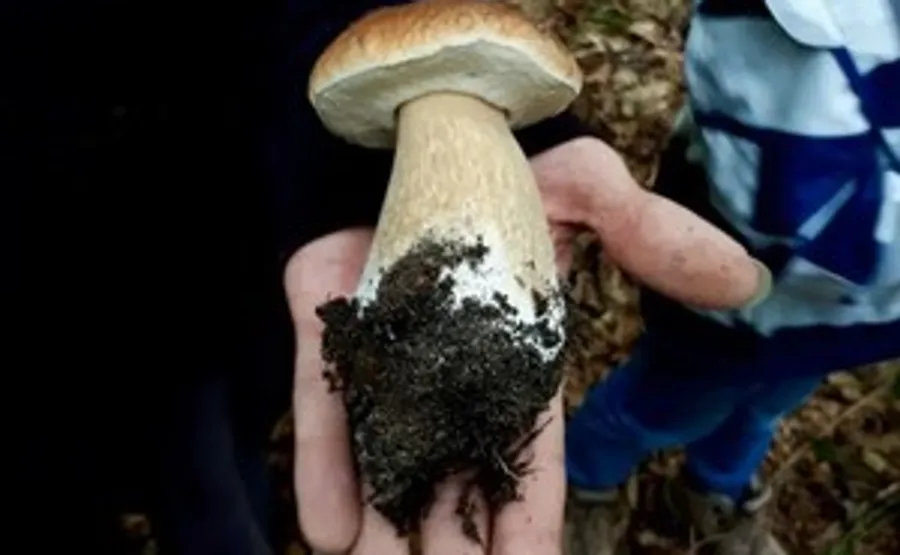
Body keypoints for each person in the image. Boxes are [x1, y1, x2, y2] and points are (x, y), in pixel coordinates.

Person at [564, 1, 900, 555]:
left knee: (766, 408)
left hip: (841, 326)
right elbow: (786, 197)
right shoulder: (790, 19)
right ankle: (583, 479)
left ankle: (713, 490)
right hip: (734, 311)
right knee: (659, 406)